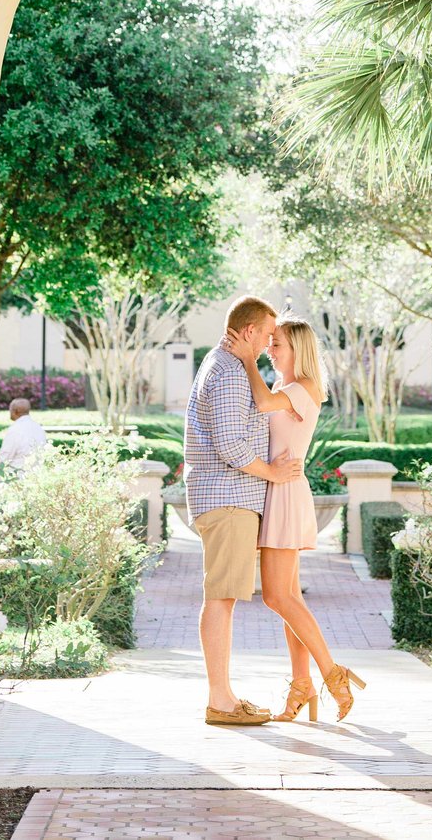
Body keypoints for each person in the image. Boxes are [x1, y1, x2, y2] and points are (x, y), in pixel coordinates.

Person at [180, 296, 307, 727]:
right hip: (229, 497)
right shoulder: (231, 372)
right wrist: (272, 473)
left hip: (224, 497)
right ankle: (221, 700)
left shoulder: (222, 365)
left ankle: (224, 695)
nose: (270, 344)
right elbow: (232, 445)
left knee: (222, 596)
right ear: (249, 332)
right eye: (269, 335)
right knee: (221, 597)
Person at [243, 318, 363, 723]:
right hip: (279, 489)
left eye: (277, 345)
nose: (270, 350)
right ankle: (302, 685)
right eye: (270, 344)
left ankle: (332, 675)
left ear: (299, 350)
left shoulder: (301, 388)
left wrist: (245, 357)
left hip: (286, 493)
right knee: (287, 598)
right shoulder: (284, 388)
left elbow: (260, 404)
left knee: (278, 597)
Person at [0, 393, 49, 470]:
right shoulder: (38, 428)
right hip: (37, 473)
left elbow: (5, 456)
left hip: (16, 474)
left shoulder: (15, 429)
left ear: (16, 411)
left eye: (10, 410)